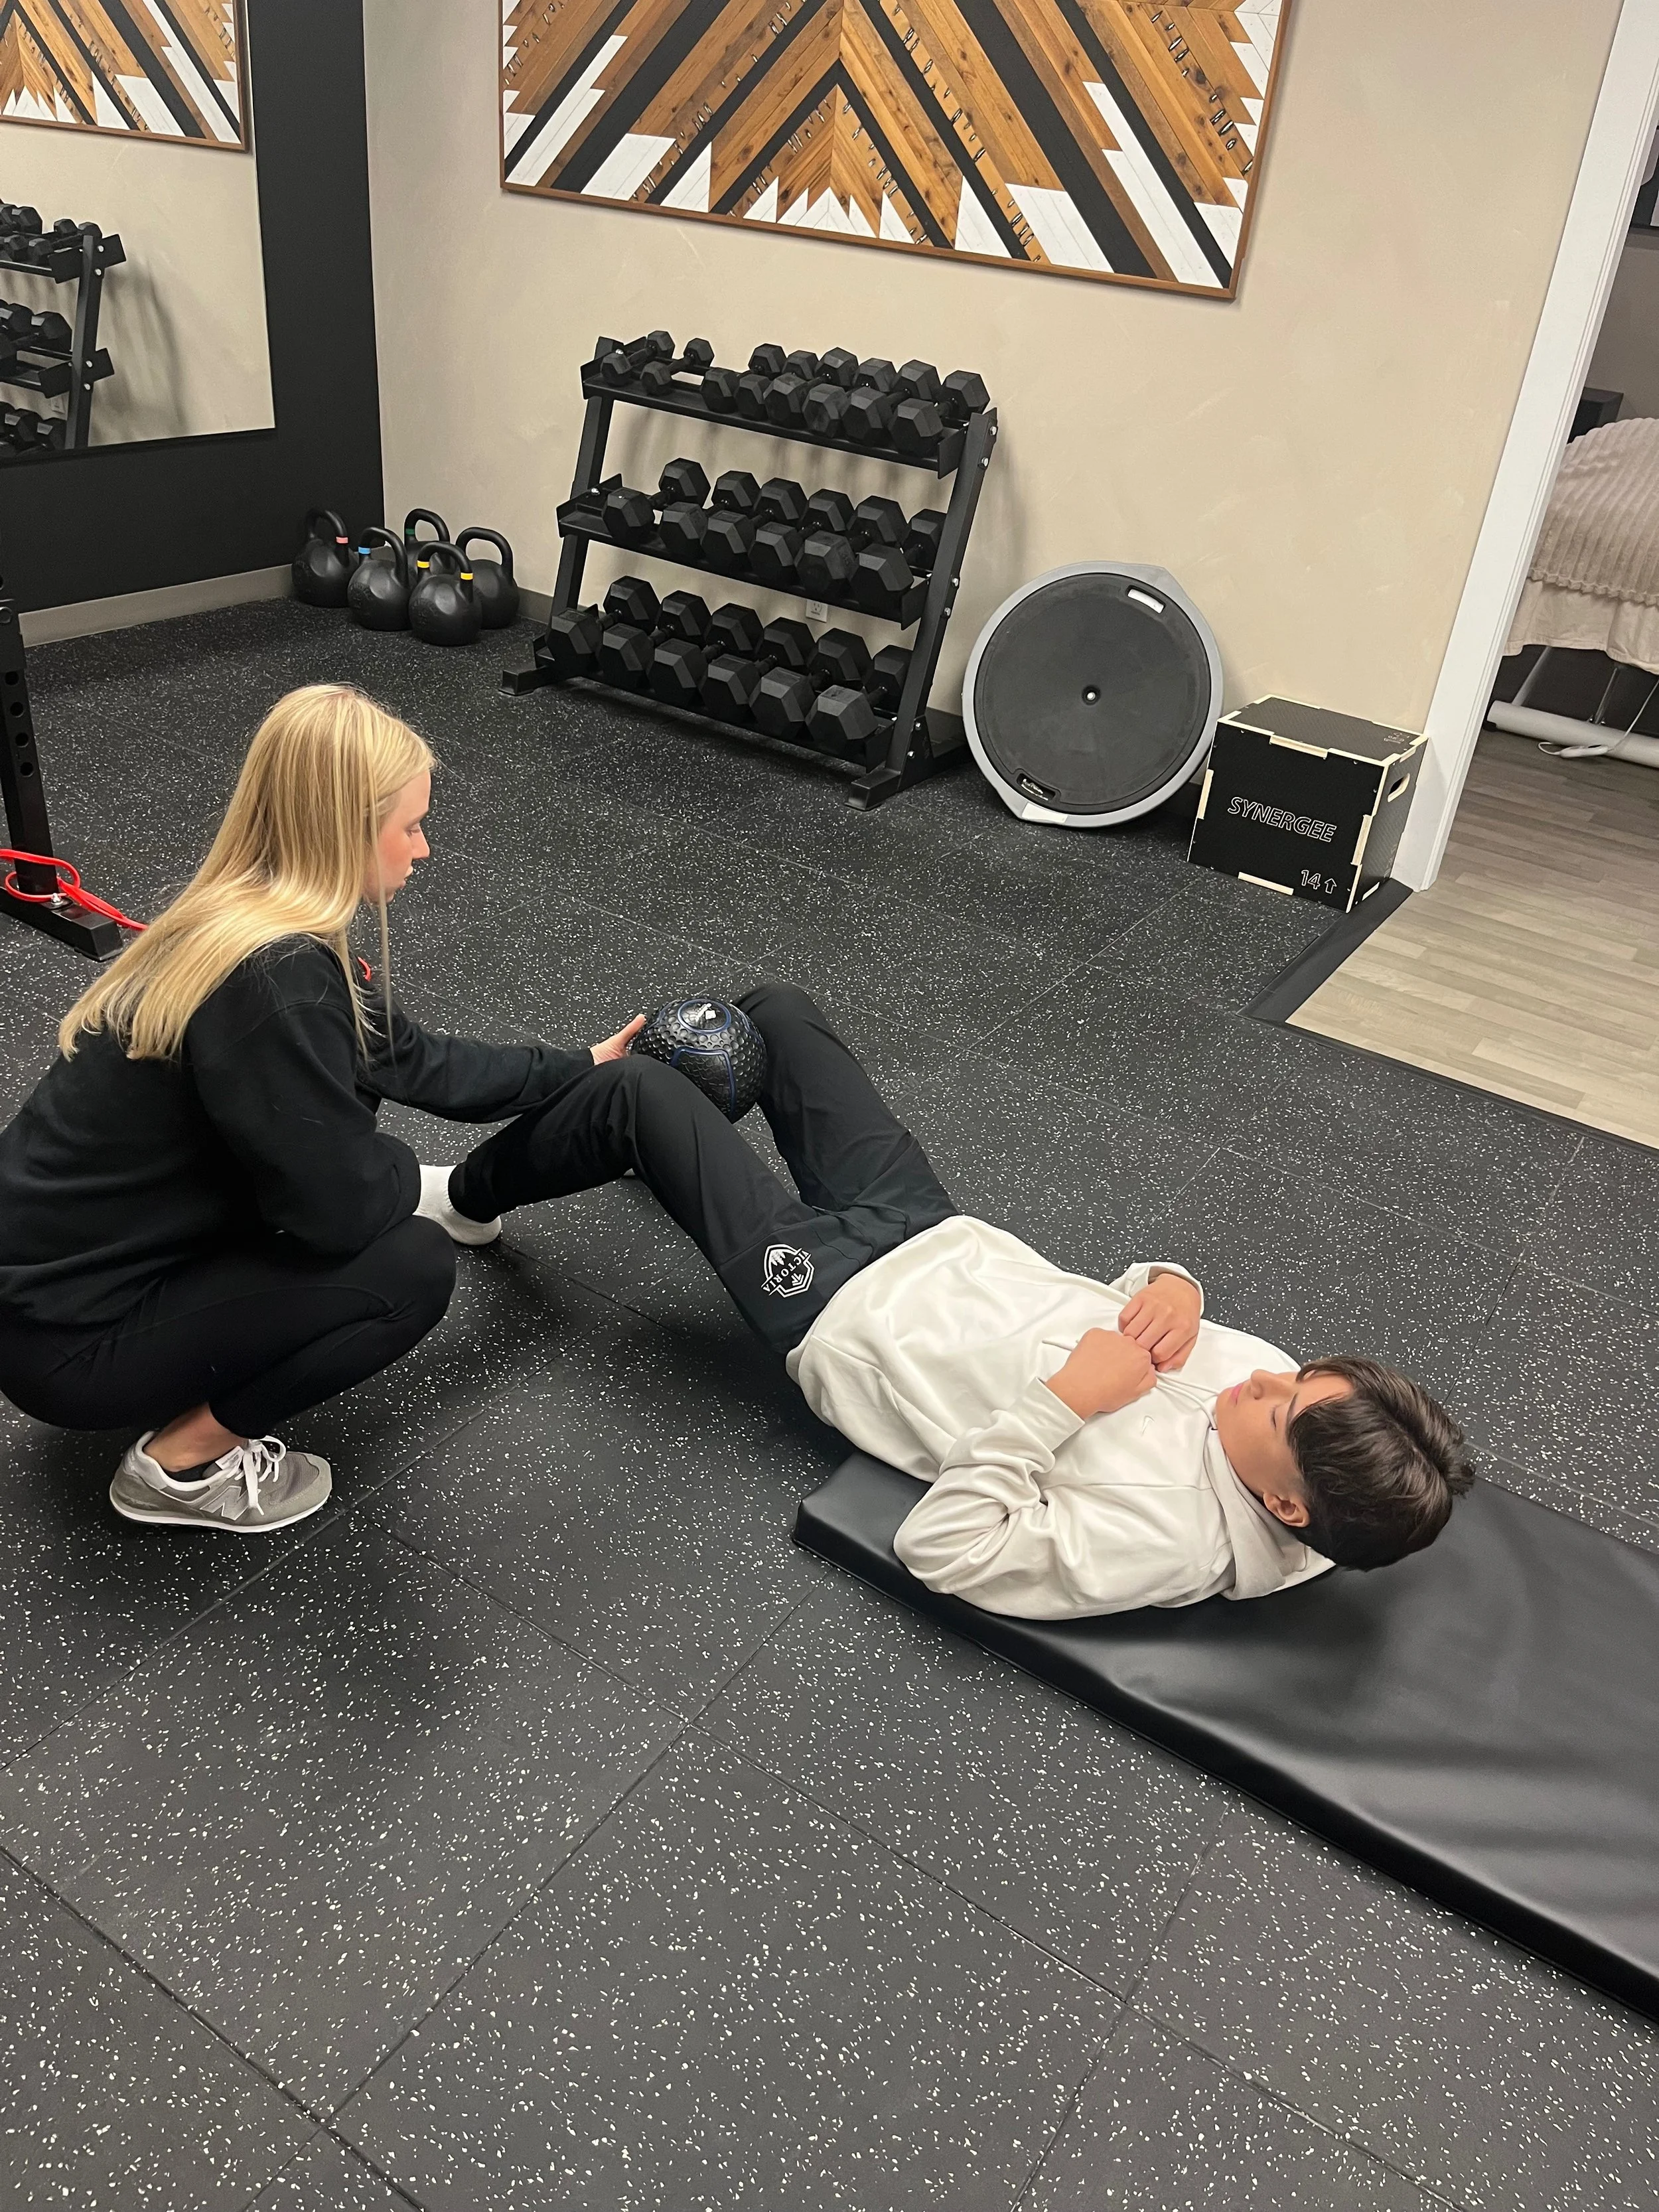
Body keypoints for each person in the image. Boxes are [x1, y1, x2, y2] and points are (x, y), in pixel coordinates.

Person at [421, 980, 1475, 1618]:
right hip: (937, 1231)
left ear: (1286, 1507)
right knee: (774, 1015)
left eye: (1280, 1405)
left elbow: (948, 1549)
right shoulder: (1275, 1400)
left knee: (636, 1089)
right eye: (1294, 1374)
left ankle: (469, 1198)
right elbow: (1138, 1293)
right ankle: (668, 1162)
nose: (1257, 1377)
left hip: (839, 1311)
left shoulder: (1168, 1541)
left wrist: (1068, 1403)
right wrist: (1174, 1286)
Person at [0, 684, 643, 1535]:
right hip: (67, 1342)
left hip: (56, 1279)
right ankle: (177, 1470)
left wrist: (578, 1067)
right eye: (409, 826)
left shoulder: (245, 918)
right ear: (344, 830)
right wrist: (404, 1180)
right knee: (407, 1268)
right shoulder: (277, 981)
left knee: (371, 1203)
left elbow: (416, 1060)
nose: (424, 848)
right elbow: (337, 1217)